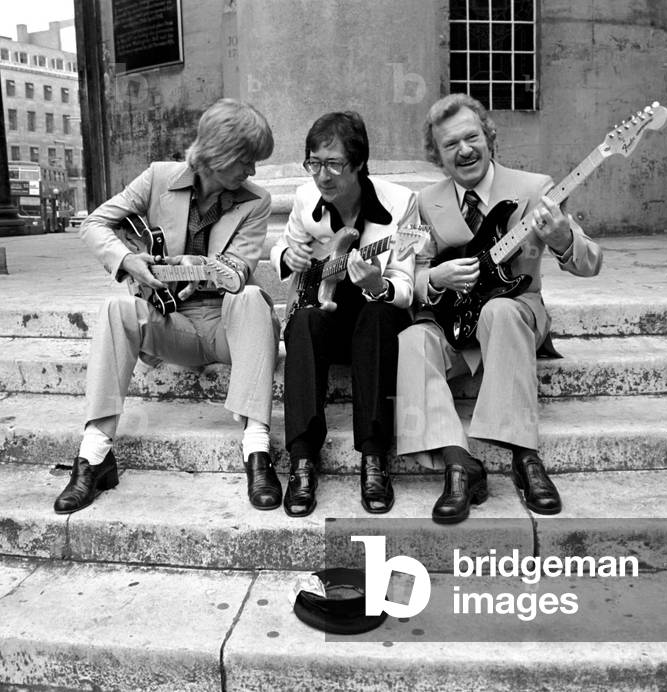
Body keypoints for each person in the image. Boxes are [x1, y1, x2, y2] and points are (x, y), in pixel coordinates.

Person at [53, 99, 282, 514]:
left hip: (227, 329)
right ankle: (94, 454)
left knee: (250, 298)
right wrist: (127, 260)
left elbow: (238, 271)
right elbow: (95, 223)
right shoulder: (158, 178)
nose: (252, 172)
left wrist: (194, 266)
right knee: (114, 309)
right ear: (220, 155)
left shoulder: (255, 201)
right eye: (247, 161)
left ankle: (257, 449)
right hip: (171, 323)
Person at [396, 94, 603, 524]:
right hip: (453, 321)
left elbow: (591, 262)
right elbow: (409, 277)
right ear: (437, 155)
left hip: (514, 312)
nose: (465, 150)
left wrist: (564, 239)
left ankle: (526, 458)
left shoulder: (535, 189)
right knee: (413, 337)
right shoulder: (422, 202)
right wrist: (435, 278)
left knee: (501, 312)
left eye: (472, 137)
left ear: (489, 138)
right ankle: (459, 464)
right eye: (451, 144)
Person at [271, 111, 419, 516]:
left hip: (376, 321)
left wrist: (376, 284)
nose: (322, 176)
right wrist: (289, 254)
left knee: (377, 314)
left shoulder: (402, 204)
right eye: (314, 164)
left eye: (334, 164)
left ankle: (373, 458)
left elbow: (405, 288)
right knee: (302, 321)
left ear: (359, 164)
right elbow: (281, 252)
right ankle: (302, 460)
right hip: (328, 308)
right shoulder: (305, 199)